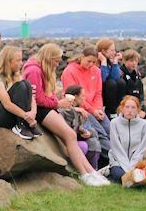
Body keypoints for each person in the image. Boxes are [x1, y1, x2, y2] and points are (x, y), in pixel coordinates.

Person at [22, 43, 109, 186]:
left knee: (71, 135)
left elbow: (45, 95)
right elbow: (36, 99)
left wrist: (56, 102)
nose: (57, 64)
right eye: (56, 60)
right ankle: (85, 174)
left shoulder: (39, 68)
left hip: (45, 108)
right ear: (49, 58)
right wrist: (57, 104)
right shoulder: (34, 71)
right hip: (39, 111)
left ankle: (90, 172)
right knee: (69, 135)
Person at [0, 46, 42, 139]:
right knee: (19, 86)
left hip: (14, 113)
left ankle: (26, 124)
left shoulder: (15, 75)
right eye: (18, 61)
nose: (21, 63)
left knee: (26, 83)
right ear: (8, 62)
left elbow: (32, 98)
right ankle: (20, 125)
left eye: (21, 60)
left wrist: (33, 113)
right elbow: (7, 104)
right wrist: (27, 117)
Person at [60, 46, 111, 154]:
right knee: (100, 133)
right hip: (82, 109)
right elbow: (75, 98)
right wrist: (93, 111)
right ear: (82, 57)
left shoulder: (96, 71)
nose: (91, 64)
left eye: (94, 62)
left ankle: (116, 158)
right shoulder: (70, 71)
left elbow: (98, 92)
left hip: (95, 108)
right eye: (89, 61)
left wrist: (98, 109)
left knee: (110, 130)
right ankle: (113, 158)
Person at [107, 96, 146, 183]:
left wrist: (133, 165)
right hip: (118, 161)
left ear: (137, 109)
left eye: (133, 107)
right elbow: (116, 148)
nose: (130, 110)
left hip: (136, 162)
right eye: (127, 107)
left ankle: (131, 179)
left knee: (142, 176)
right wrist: (127, 168)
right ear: (122, 108)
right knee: (121, 175)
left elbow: (141, 149)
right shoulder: (114, 123)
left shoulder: (144, 125)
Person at [60, 85, 101, 168]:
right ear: (75, 97)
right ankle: (78, 169)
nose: (84, 98)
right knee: (83, 146)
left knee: (94, 142)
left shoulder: (82, 112)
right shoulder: (62, 110)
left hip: (77, 140)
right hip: (63, 143)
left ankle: (94, 170)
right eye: (82, 96)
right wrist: (73, 109)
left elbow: (94, 132)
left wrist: (87, 132)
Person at [97, 38, 125, 118]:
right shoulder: (96, 61)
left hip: (110, 94)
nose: (115, 52)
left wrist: (115, 62)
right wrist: (103, 62)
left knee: (121, 82)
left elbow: (116, 77)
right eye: (112, 50)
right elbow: (102, 79)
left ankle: (119, 110)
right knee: (110, 83)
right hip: (100, 93)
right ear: (103, 51)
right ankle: (111, 112)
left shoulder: (110, 60)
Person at [120, 49, 145, 117]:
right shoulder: (121, 74)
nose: (134, 63)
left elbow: (141, 95)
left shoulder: (138, 76)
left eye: (136, 61)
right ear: (124, 61)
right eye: (131, 61)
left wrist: (141, 109)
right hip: (125, 106)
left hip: (136, 105)